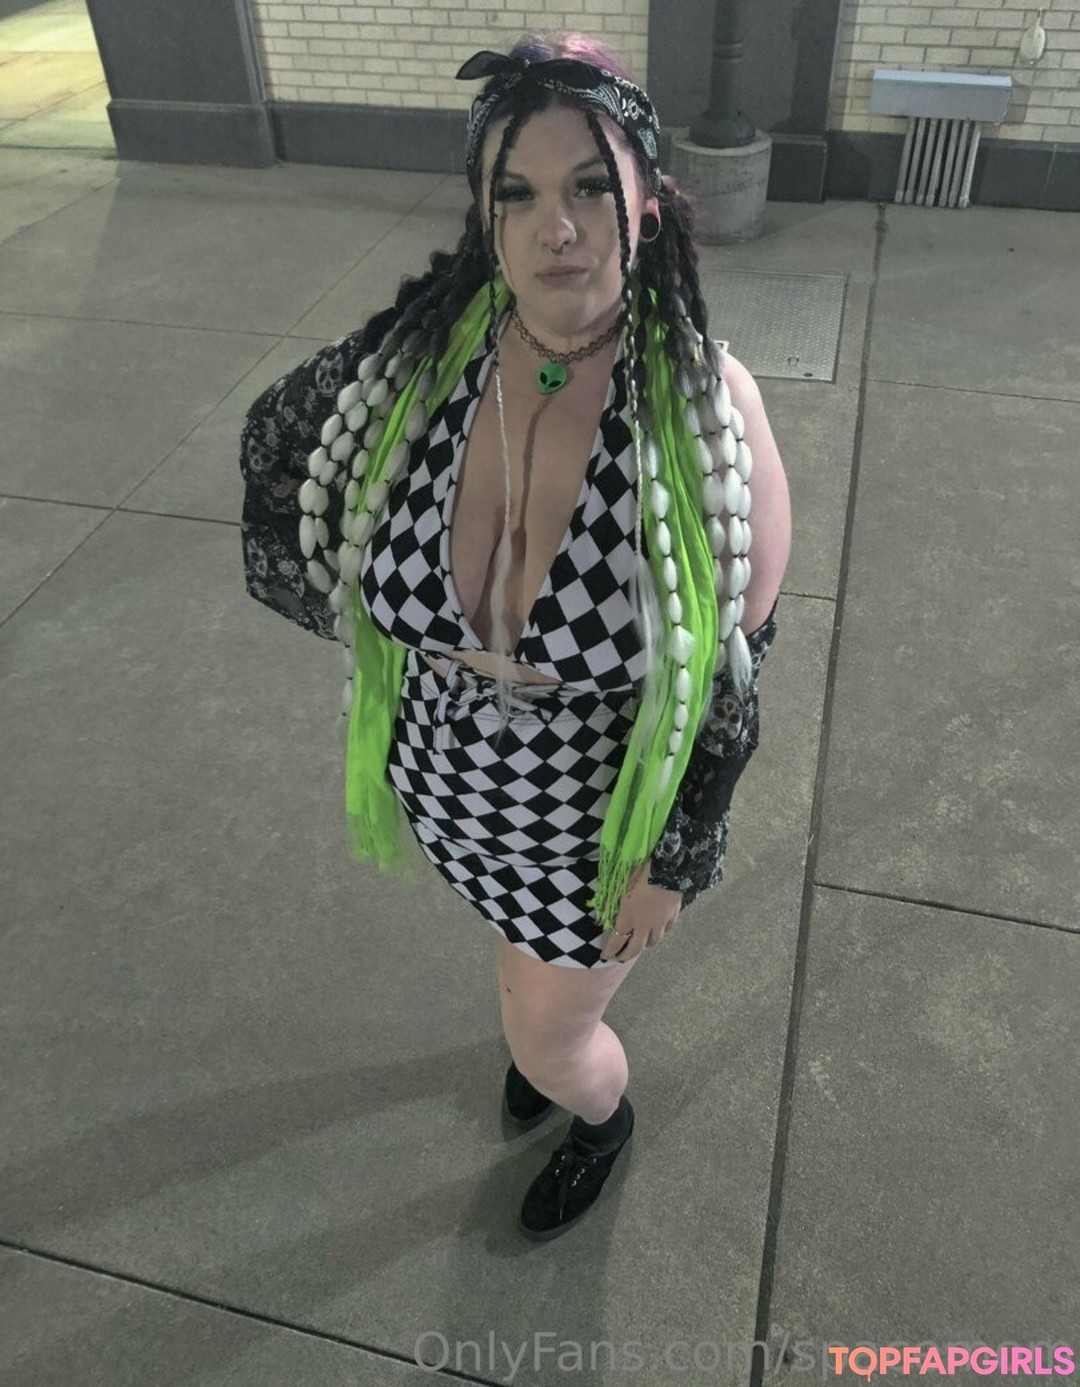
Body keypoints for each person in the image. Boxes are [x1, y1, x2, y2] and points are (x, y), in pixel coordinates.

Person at [239, 31, 792, 1241]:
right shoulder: (419, 367)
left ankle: (596, 1112)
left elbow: (740, 663)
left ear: (649, 202)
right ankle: (544, 1034)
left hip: (594, 816)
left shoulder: (706, 413)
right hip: (447, 777)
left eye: (590, 186)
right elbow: (278, 454)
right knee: (518, 974)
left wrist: (676, 856)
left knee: (552, 1037)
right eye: (519, 195)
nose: (559, 229)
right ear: (483, 217)